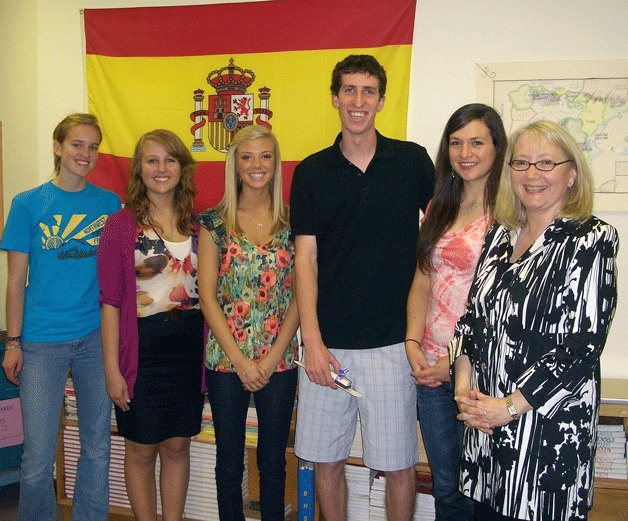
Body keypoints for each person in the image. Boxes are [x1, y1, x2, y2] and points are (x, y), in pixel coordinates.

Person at [290, 54, 435, 521]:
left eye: (368, 91)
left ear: (381, 100)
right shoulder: (311, 171)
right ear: (335, 99)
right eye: (349, 90)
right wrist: (311, 340)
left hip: (393, 346)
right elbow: (305, 260)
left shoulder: (412, 162)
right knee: (325, 460)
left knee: (397, 466)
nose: (358, 100)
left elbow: (440, 242)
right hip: (327, 348)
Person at [450, 120, 618, 521]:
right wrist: (463, 389)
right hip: (486, 433)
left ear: (572, 173)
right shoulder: (501, 234)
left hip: (544, 440)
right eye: (521, 163)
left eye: (546, 163)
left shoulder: (591, 239)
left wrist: (508, 407)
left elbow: (582, 346)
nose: (531, 175)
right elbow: (471, 320)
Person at [0, 113, 121, 521]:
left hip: (94, 338)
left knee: (97, 445)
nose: (85, 154)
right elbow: (16, 281)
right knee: (36, 457)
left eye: (92, 146)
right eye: (76, 145)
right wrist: (12, 343)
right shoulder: (27, 204)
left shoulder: (109, 203)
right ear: (57, 147)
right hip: (40, 340)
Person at [406, 104, 507, 521]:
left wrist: (453, 362)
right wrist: (413, 343)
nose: (465, 152)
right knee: (446, 487)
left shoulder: (509, 213)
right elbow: (422, 279)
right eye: (456, 142)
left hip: (481, 371)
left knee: (484, 490)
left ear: (498, 149)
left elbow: (498, 302)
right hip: (430, 369)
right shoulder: (439, 207)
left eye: (477, 141)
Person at [98, 129, 205, 521]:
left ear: (182, 166)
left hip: (188, 349)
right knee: (141, 448)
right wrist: (113, 370)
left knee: (178, 446)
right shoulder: (120, 226)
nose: (162, 169)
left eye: (170, 160)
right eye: (152, 160)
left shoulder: (199, 225)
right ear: (139, 170)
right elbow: (110, 303)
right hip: (140, 350)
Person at [198, 124, 299, 521]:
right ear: (234, 164)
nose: (256, 165)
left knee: (274, 463)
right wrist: (241, 360)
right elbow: (207, 296)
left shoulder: (294, 220)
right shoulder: (215, 222)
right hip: (226, 359)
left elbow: (299, 296)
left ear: (276, 163)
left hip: (280, 359)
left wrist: (272, 358)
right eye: (246, 156)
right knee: (229, 463)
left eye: (265, 156)